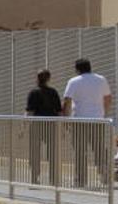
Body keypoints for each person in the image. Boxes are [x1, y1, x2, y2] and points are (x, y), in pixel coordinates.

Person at [63, 58, 112, 188]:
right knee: (99, 148)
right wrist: (104, 113)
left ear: (77, 69)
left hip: (79, 120)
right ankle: (105, 176)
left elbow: (67, 101)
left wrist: (65, 119)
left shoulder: (73, 81)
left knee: (80, 150)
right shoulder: (101, 79)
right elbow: (108, 98)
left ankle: (80, 179)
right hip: (97, 119)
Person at [25, 69, 63, 185]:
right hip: (51, 125)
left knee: (34, 152)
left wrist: (24, 127)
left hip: (36, 125)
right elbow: (59, 111)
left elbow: (30, 112)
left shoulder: (33, 92)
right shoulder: (53, 92)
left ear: (37, 78)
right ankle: (53, 179)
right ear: (48, 79)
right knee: (52, 153)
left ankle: (34, 178)